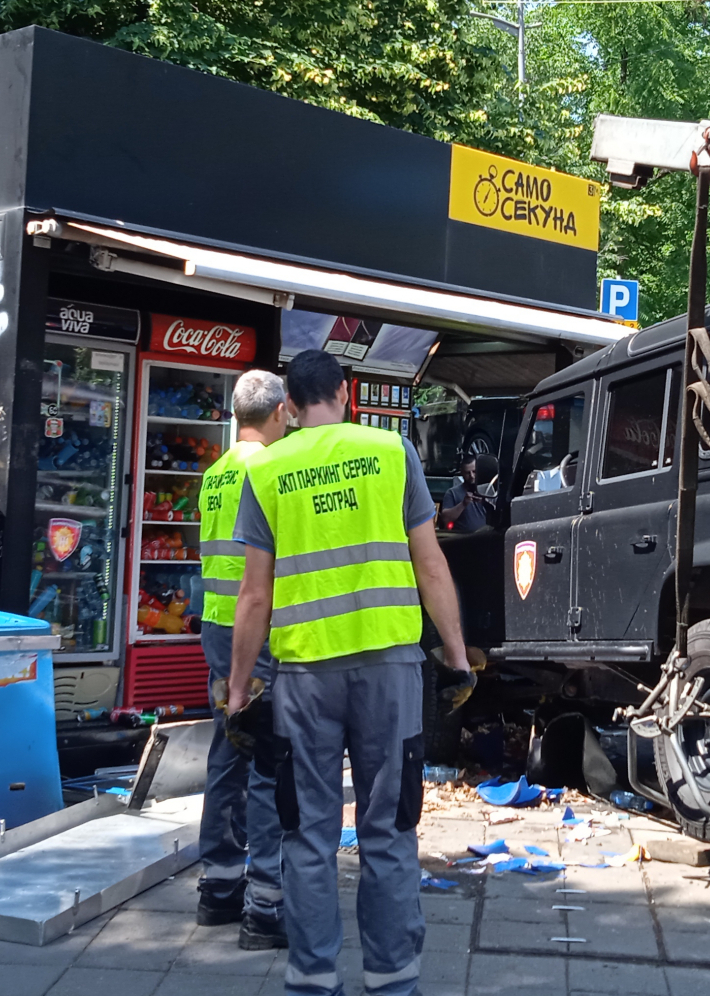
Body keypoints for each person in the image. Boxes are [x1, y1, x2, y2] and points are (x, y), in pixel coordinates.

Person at [226, 349, 472, 996]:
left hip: (304, 677)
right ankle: (392, 979)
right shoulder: (392, 453)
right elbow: (431, 564)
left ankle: (311, 978)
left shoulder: (268, 469)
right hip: (389, 671)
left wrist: (238, 688)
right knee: (388, 828)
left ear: (288, 406)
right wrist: (456, 657)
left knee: (307, 833)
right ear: (346, 393)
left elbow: (254, 594)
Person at [195, 370, 291, 948]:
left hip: (216, 627)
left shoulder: (215, 473)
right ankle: (266, 903)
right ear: (279, 412)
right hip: (259, 629)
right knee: (267, 759)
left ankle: (218, 886)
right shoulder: (272, 469)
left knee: (227, 751)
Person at [437, 453, 499, 532]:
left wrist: (485, 503)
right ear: (462, 473)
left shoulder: (488, 490)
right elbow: (445, 519)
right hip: (463, 537)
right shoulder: (452, 493)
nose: (472, 476)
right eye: (467, 473)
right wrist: (463, 504)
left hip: (486, 536)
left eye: (474, 471)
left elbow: (498, 515)